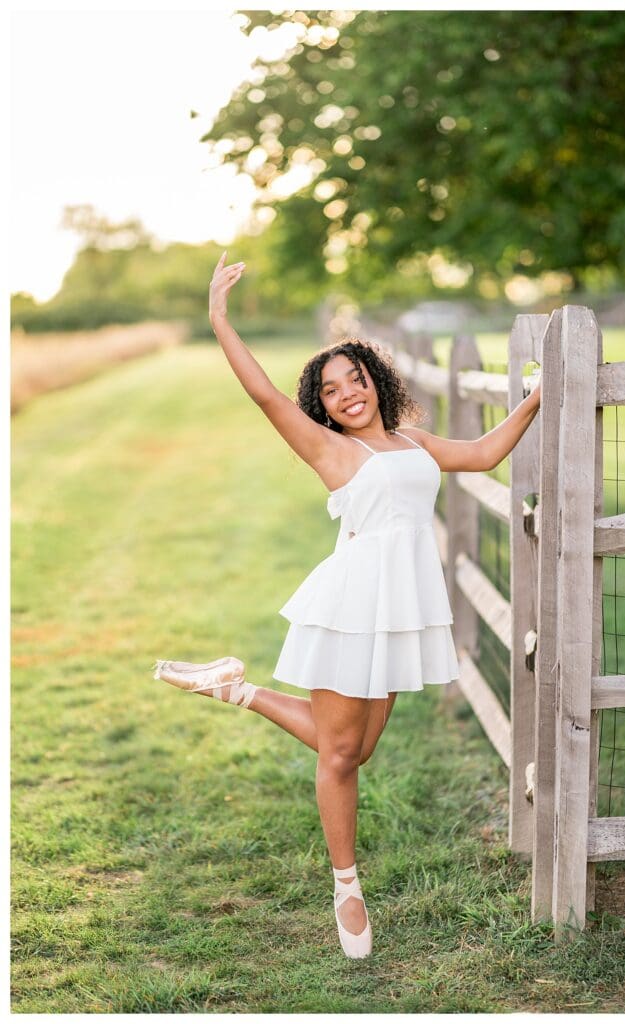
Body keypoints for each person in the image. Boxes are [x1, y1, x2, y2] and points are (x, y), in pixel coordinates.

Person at [153, 252, 541, 959]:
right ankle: (346, 887)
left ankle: (233, 688)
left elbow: (484, 453)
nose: (346, 395)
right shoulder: (330, 452)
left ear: (375, 381)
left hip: (401, 608)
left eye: (354, 380)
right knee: (338, 757)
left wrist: (544, 392)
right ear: (323, 406)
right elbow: (266, 397)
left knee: (358, 748)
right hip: (350, 604)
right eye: (330, 391)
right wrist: (217, 318)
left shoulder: (415, 442)